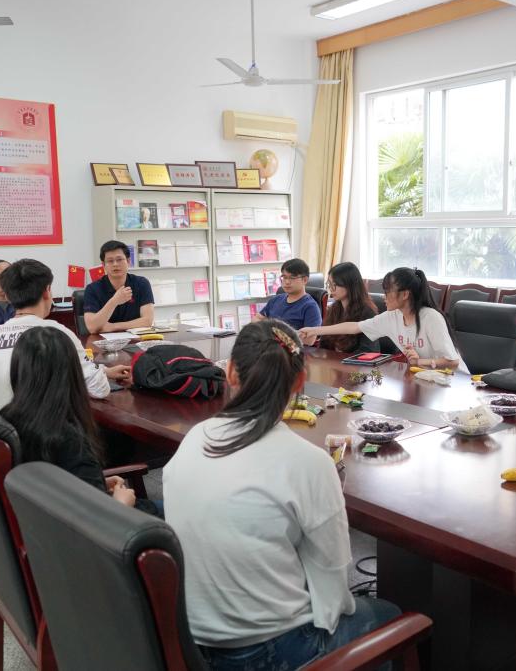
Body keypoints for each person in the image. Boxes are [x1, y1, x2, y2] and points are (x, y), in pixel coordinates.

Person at [162, 320, 401, 669]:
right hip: (267, 653)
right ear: (301, 381)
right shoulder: (308, 463)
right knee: (388, 614)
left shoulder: (195, 437)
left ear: (229, 371)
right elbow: (334, 595)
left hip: (191, 645)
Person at [0, 326, 160, 516]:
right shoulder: (69, 439)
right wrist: (121, 504)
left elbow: (57, 484)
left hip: (46, 518)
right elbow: (96, 520)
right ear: (72, 372)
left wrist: (96, 483)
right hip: (113, 525)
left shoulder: (6, 418)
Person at [0, 258, 129, 413]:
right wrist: (97, 375)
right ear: (47, 291)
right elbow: (100, 389)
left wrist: (103, 371)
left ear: (7, 296)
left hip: (1, 423)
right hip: (37, 426)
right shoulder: (53, 331)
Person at [299, 267, 459, 370]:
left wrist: (420, 362)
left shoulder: (431, 317)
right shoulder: (392, 317)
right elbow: (354, 327)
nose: (384, 297)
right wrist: (314, 330)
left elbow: (453, 362)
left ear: (405, 294)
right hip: (423, 377)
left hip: (454, 381)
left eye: (387, 292)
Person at [83, 240, 155, 334]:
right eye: (110, 261)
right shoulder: (92, 289)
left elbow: (147, 321)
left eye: (119, 259)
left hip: (137, 339)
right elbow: (92, 327)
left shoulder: (141, 283)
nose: (115, 264)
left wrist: (113, 326)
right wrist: (114, 301)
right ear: (103, 265)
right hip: (104, 341)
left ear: (128, 261)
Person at [318, 262, 379, 353]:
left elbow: (368, 350)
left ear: (349, 284)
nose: (331, 288)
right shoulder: (333, 309)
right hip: (334, 360)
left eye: (334, 285)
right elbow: (324, 343)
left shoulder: (367, 313)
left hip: (354, 361)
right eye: (329, 284)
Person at [255, 257, 322, 330]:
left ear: (305, 280)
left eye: (292, 277)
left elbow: (310, 336)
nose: (287, 282)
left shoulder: (310, 307)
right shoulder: (275, 300)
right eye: (284, 277)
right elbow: (257, 318)